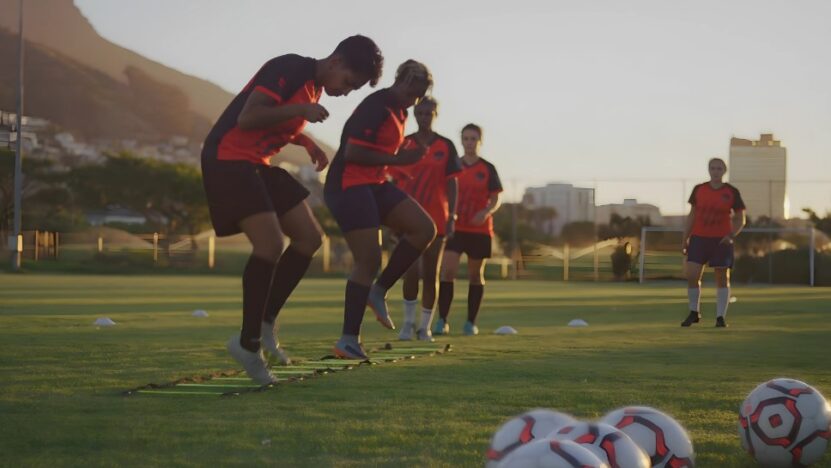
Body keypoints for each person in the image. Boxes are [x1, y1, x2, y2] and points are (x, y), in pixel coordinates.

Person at [201, 35, 383, 384]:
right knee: (270, 245)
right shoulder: (291, 67)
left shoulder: (314, 88)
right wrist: (301, 112)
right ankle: (248, 343)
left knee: (309, 238)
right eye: (347, 83)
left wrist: (304, 140)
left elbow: (277, 121)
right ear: (335, 62)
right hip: (228, 159)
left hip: (257, 163)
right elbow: (250, 118)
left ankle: (266, 323)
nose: (345, 92)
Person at [324, 60, 436, 359]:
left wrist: (399, 162)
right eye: (414, 93)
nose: (416, 102)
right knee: (369, 259)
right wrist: (401, 160)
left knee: (425, 228)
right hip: (348, 184)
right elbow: (354, 152)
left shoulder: (400, 111)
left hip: (373, 183)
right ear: (401, 81)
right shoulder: (378, 105)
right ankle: (348, 339)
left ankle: (379, 289)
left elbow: (381, 153)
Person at [389, 97, 462, 342]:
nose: (424, 117)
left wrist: (452, 216)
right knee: (411, 272)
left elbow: (452, 182)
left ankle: (425, 327)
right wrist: (392, 219)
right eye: (419, 113)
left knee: (431, 273)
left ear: (435, 114)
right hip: (408, 219)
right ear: (414, 114)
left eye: (428, 113)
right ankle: (408, 325)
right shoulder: (405, 143)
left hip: (437, 219)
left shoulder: (446, 146)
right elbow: (394, 181)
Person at [433, 124, 502, 336]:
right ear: (461, 141)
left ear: (480, 141)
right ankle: (442, 320)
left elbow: (495, 198)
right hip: (455, 228)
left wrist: (486, 212)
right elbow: (443, 192)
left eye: (473, 138)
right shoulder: (454, 166)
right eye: (466, 138)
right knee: (448, 271)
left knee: (475, 275)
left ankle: (471, 323)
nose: (469, 142)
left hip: (480, 231)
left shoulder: (487, 168)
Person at [680, 157, 746, 328]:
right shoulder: (699, 190)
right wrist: (685, 238)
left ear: (724, 171)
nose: (715, 171)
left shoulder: (732, 192)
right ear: (708, 170)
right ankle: (694, 312)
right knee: (692, 275)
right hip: (699, 239)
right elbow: (692, 215)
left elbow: (740, 219)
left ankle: (720, 317)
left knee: (722, 278)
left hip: (721, 241)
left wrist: (731, 235)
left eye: (719, 168)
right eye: (712, 168)